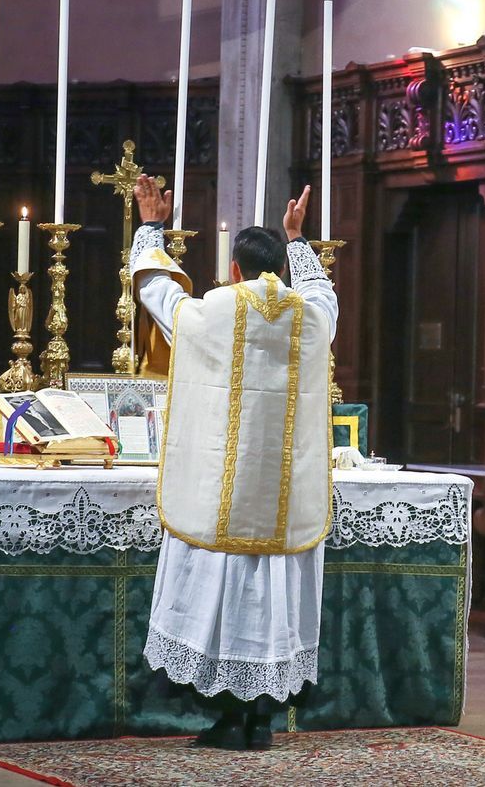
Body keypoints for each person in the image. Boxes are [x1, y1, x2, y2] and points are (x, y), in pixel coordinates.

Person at [129, 175, 337, 750]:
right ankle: (262, 718)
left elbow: (156, 292)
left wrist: (151, 228)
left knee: (222, 601)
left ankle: (226, 716)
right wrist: (299, 239)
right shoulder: (310, 319)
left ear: (237, 268)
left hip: (221, 493)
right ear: (280, 266)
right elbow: (325, 295)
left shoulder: (214, 312)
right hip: (282, 499)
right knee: (270, 603)